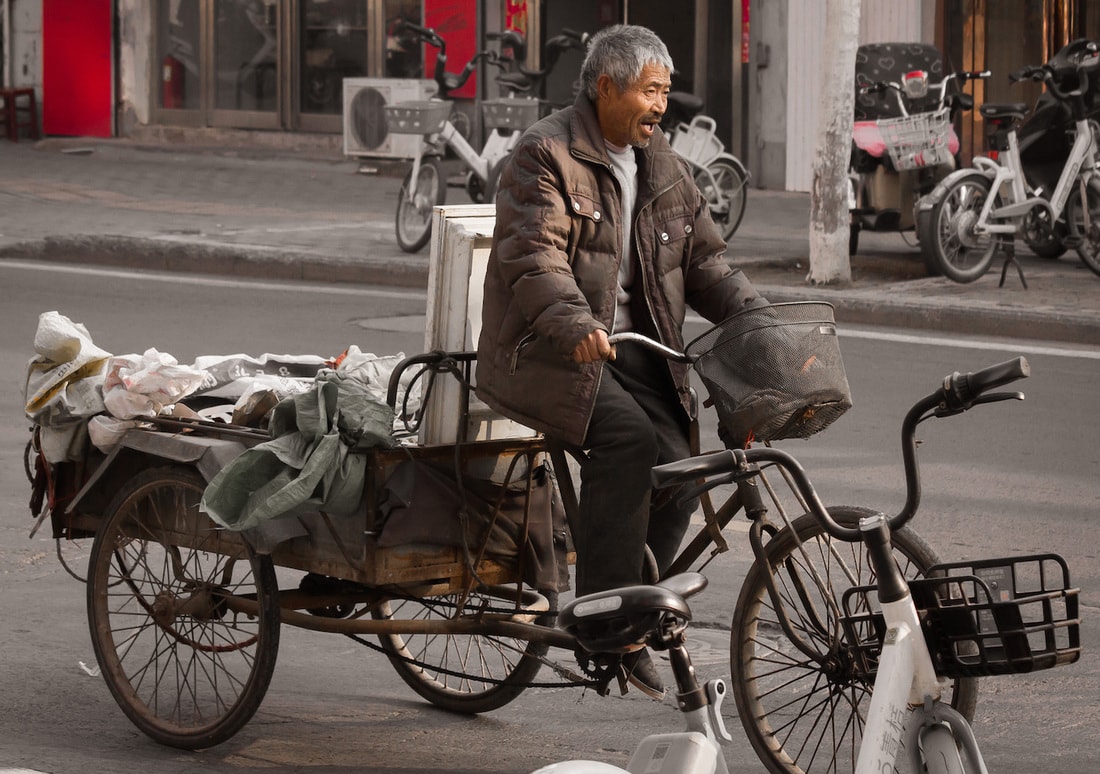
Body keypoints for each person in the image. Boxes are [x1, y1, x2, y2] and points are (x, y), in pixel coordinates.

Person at [476, 24, 767, 699]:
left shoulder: (663, 163)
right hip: (549, 351)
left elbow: (706, 263)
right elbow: (532, 253)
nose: (661, 106)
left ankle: (632, 611)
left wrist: (758, 317)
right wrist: (574, 320)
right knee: (631, 443)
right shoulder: (544, 153)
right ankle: (601, 623)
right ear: (605, 86)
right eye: (649, 91)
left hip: (635, 352)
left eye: (665, 92)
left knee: (685, 471)